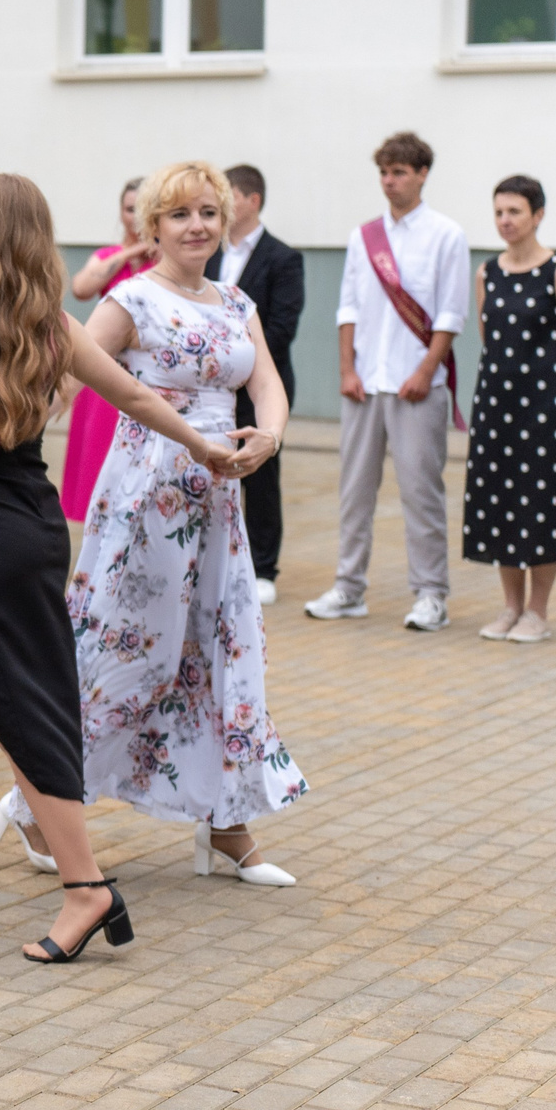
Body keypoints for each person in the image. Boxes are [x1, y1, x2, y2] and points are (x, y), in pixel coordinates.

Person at [0, 171, 238, 959]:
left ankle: (87, 888)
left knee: (19, 706)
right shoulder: (52, 324)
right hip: (39, 527)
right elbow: (137, 398)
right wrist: (204, 444)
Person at [41, 161, 304, 892]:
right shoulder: (130, 300)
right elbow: (65, 379)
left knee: (224, 643)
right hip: (147, 496)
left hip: (221, 498)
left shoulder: (236, 300)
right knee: (128, 648)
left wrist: (270, 437)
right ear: (152, 225)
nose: (196, 226)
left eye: (209, 214)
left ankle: (228, 823)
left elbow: (266, 382)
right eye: (180, 214)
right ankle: (40, 800)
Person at [305, 131, 471, 632]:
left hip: (416, 386)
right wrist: (346, 369)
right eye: (384, 172)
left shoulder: (447, 234)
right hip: (365, 384)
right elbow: (348, 305)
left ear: (422, 175)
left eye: (399, 172)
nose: (389, 181)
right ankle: (349, 587)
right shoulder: (364, 237)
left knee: (421, 492)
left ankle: (431, 595)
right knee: (354, 490)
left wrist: (426, 370)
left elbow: (450, 313)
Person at [464, 174, 556, 642]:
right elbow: (490, 339)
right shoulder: (487, 273)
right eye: (499, 212)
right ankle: (509, 607)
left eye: (515, 211)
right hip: (497, 408)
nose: (505, 220)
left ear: (537, 216)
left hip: (547, 412)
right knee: (501, 502)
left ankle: (537, 612)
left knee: (540, 505)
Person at [218, 165, 304, 605]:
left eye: (227, 195)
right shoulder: (209, 253)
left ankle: (264, 567)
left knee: (262, 474)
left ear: (252, 200)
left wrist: (235, 358)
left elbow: (282, 326)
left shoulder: (283, 258)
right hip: (212, 387)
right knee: (214, 467)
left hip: (258, 382)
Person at [59, 177, 151, 522]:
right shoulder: (110, 256)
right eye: (130, 209)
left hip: (149, 372)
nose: (136, 217)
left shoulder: (170, 260)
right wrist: (130, 253)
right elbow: (82, 287)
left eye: (143, 208)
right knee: (99, 459)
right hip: (105, 372)